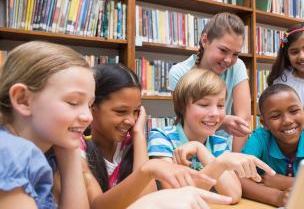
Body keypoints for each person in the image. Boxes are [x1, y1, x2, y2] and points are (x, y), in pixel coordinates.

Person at [79, 64, 218, 209]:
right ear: (91, 107)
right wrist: (147, 170)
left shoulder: (130, 144)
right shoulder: (78, 148)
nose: (131, 121)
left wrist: (139, 136)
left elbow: (147, 200)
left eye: (136, 111)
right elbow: (96, 205)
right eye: (121, 111)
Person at [148, 69, 276, 204]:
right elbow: (176, 196)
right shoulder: (162, 138)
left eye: (220, 105)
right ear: (181, 107)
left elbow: (233, 195)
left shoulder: (219, 143)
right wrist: (219, 163)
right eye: (203, 104)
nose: (215, 113)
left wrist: (199, 148)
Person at [0, 41, 93, 209]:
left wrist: (70, 151)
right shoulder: (11, 154)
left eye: (90, 105)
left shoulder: (49, 156)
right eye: (73, 102)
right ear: (23, 99)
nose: (88, 117)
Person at [239, 84, 304, 207]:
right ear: (264, 123)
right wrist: (277, 197)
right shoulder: (259, 139)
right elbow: (238, 177)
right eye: (276, 116)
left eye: (294, 111)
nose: (288, 121)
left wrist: (285, 183)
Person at [169, 12, 251, 152]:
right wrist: (221, 121)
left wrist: (237, 163)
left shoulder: (237, 67)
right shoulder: (179, 72)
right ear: (205, 41)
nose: (228, 60)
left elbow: (243, 121)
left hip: (224, 150)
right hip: (189, 149)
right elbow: (184, 120)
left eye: (235, 54)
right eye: (223, 50)